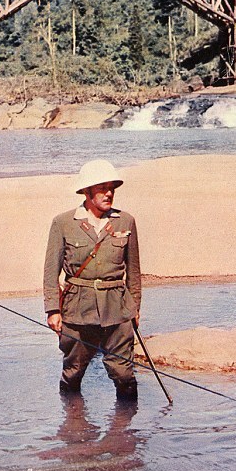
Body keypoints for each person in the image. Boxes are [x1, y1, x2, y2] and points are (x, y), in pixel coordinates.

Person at [43, 159, 142, 400]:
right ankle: (72, 427)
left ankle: (126, 432)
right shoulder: (63, 223)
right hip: (77, 309)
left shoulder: (125, 221)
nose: (109, 194)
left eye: (112, 189)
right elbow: (50, 271)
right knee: (73, 370)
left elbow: (134, 272)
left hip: (117, 309)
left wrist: (135, 308)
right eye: (102, 188)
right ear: (87, 191)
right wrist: (53, 310)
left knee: (123, 373)